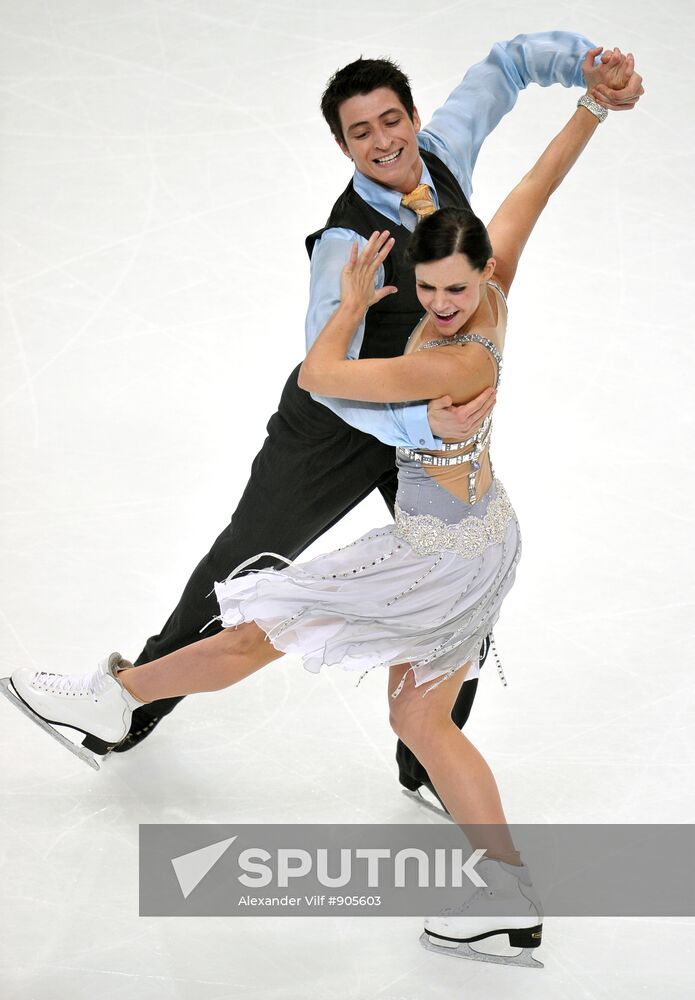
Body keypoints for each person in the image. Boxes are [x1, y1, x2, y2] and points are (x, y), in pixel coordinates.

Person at [3, 75, 629, 966]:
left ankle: (112, 704)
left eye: (455, 289)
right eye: (431, 289)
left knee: (264, 629)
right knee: (423, 723)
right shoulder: (496, 290)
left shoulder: (439, 365)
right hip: (484, 533)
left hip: (434, 553)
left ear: (480, 272)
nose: (444, 305)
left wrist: (350, 304)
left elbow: (321, 378)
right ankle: (507, 896)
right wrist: (590, 111)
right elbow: (534, 185)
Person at [104, 37, 642, 808]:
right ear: (341, 145)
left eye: (392, 121)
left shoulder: (442, 150)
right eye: (362, 133)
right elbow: (323, 380)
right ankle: (133, 702)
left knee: (457, 597)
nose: (384, 141)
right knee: (245, 566)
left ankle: (428, 753)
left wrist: (586, 67)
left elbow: (506, 69)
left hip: (427, 420)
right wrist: (425, 429)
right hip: (333, 430)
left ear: (414, 117)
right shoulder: (345, 242)